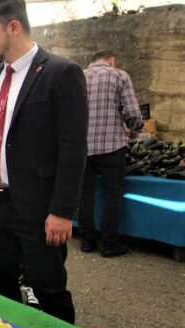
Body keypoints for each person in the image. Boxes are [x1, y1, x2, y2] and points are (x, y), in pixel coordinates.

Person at [0, 0, 88, 324]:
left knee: (48, 290)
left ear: (13, 27)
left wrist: (61, 212)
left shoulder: (61, 72)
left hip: (38, 207)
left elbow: (73, 150)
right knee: (1, 286)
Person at [78, 50, 143, 257]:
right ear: (111, 60)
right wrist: (134, 130)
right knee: (112, 194)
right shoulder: (119, 75)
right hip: (112, 147)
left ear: (93, 60)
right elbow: (132, 113)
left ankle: (87, 241)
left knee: (85, 194)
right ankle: (108, 244)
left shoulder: (79, 76)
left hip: (83, 147)